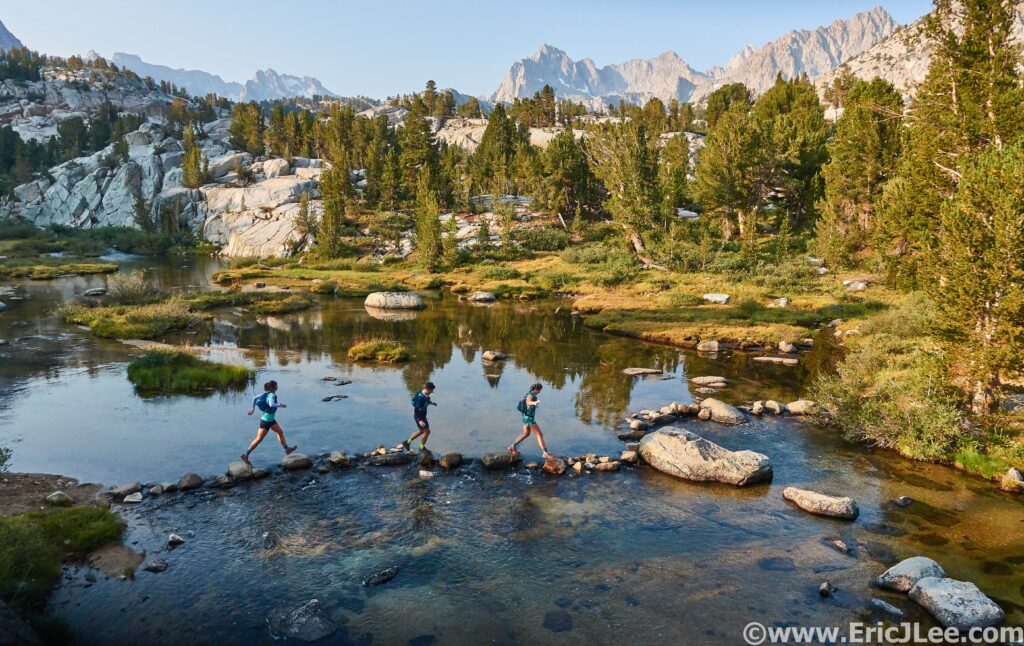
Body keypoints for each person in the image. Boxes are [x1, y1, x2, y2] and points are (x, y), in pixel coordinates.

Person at [240, 380, 297, 465]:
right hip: (266, 421)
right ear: (273, 388)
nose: (277, 387)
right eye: (276, 386)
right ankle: (246, 455)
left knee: (280, 432)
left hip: (270, 420)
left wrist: (253, 409)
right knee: (259, 439)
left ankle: (287, 449)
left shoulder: (265, 394)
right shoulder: (272, 395)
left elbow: (254, 398)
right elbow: (271, 404)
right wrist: (281, 405)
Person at [508, 383, 554, 459]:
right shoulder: (531, 395)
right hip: (529, 419)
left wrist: (534, 403)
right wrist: (534, 402)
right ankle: (545, 453)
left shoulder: (529, 394)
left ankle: (512, 446)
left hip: (525, 417)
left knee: (526, 434)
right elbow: (528, 402)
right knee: (539, 434)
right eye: (539, 390)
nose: (539, 392)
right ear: (536, 389)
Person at [400, 382, 437, 451]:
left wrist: (431, 403)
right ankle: (421, 447)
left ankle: (407, 442)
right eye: (431, 390)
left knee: (421, 431)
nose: (432, 392)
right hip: (420, 416)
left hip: (421, 416)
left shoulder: (423, 393)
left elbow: (426, 400)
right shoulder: (421, 399)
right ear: (427, 389)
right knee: (427, 432)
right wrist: (420, 420)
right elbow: (416, 410)